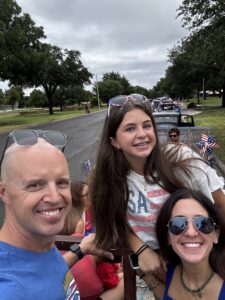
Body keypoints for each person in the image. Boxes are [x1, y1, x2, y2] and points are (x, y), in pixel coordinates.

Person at [90, 94, 225, 299]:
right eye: (130, 128)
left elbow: (221, 207)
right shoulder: (110, 181)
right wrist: (141, 249)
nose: (142, 134)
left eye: (146, 125)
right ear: (114, 141)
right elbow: (115, 221)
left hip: (201, 261)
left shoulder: (183, 161)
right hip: (153, 272)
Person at [0, 129, 113, 300]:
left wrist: (80, 250)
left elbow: (43, 271)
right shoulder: (10, 290)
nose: (54, 197)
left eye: (62, 183)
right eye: (35, 185)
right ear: (4, 192)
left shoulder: (36, 243)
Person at [155, 189, 225, 299]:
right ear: (167, 237)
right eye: (178, 224)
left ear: (215, 234)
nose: (191, 233)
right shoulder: (169, 270)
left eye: (202, 223)